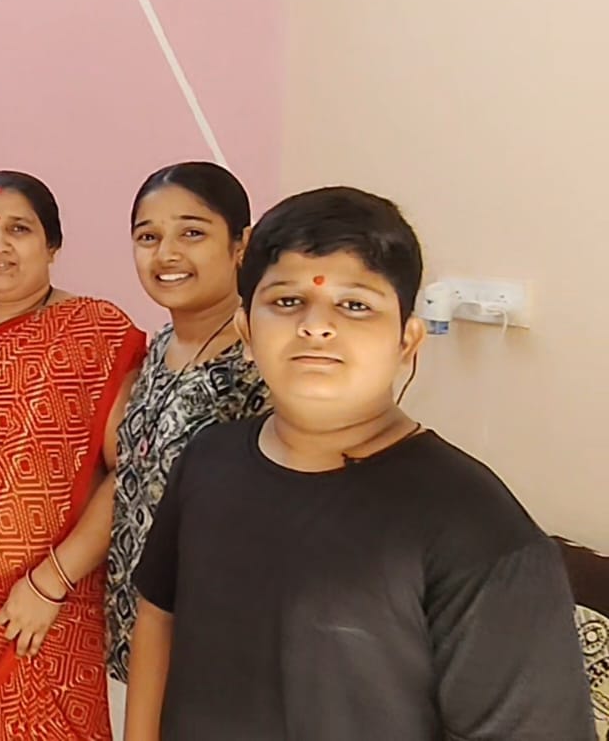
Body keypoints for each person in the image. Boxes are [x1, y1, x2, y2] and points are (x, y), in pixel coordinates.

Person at [125, 186, 596, 740]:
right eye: (287, 301)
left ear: (407, 341)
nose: (316, 326)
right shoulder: (209, 462)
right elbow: (159, 616)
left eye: (355, 306)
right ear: (246, 331)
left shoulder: (478, 531)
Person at [0, 170, 145, 740]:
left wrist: (49, 583)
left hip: (55, 607)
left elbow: (130, 474)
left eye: (18, 229)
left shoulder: (96, 332)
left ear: (52, 244)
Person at [103, 162, 270, 731]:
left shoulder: (260, 363)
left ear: (241, 244)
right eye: (148, 236)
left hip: (216, 655)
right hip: (132, 640)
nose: (167, 253)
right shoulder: (159, 347)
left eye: (192, 232)